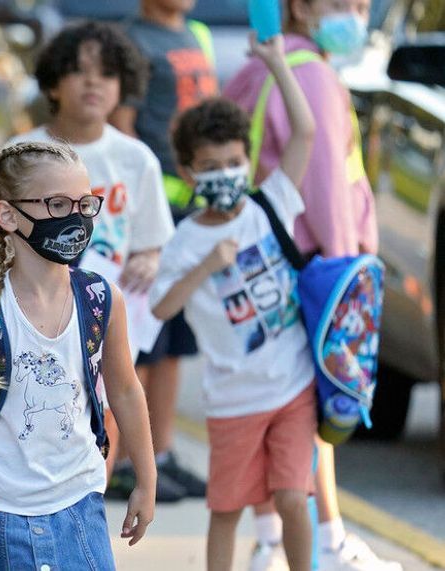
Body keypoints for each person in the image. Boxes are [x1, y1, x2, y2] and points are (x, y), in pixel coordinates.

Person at [223, 2, 397, 570]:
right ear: (299, 6)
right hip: (315, 266)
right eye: (339, 3)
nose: (355, 13)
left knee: (270, 407)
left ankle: (270, 541)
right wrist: (348, 274)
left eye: (361, 4)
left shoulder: (255, 69)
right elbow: (325, 181)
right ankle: (329, 539)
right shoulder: (315, 76)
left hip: (258, 263)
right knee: (314, 411)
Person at [0, 21, 177, 498]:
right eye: (79, 71)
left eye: (107, 74)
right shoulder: (19, 154)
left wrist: (149, 261)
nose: (94, 83)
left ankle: (87, 496)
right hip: (31, 309)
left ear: (123, 86)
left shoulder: (136, 159)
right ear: (51, 83)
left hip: (102, 313)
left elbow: (154, 240)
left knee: (104, 402)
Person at [0, 141, 156, 569]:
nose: (75, 218)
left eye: (84, 204)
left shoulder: (99, 299)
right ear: (7, 215)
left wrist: (147, 480)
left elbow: (127, 392)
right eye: (57, 204)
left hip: (79, 506)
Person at [149, 33, 316, 571]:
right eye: (210, 166)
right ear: (190, 173)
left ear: (248, 161)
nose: (225, 175)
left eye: (234, 161)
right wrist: (205, 267)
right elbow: (161, 308)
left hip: (293, 385)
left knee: (293, 498)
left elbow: (306, 132)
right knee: (226, 509)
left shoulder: (268, 207)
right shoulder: (184, 241)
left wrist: (277, 65)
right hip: (234, 402)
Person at [109, 0, 222, 502]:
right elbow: (125, 124)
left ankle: (162, 451)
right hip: (157, 212)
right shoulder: (133, 42)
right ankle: (128, 457)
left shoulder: (196, 32)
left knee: (175, 338)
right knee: (144, 336)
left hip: (194, 208)